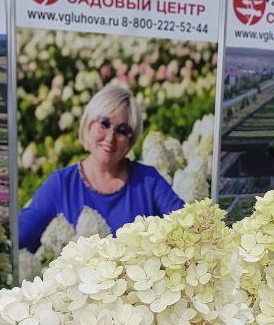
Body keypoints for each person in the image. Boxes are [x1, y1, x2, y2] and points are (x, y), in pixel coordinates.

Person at [18, 84, 183, 250]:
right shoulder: (61, 185)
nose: (110, 138)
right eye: (104, 123)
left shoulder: (149, 181)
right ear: (89, 124)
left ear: (130, 140)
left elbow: (187, 228)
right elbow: (20, 235)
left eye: (122, 130)